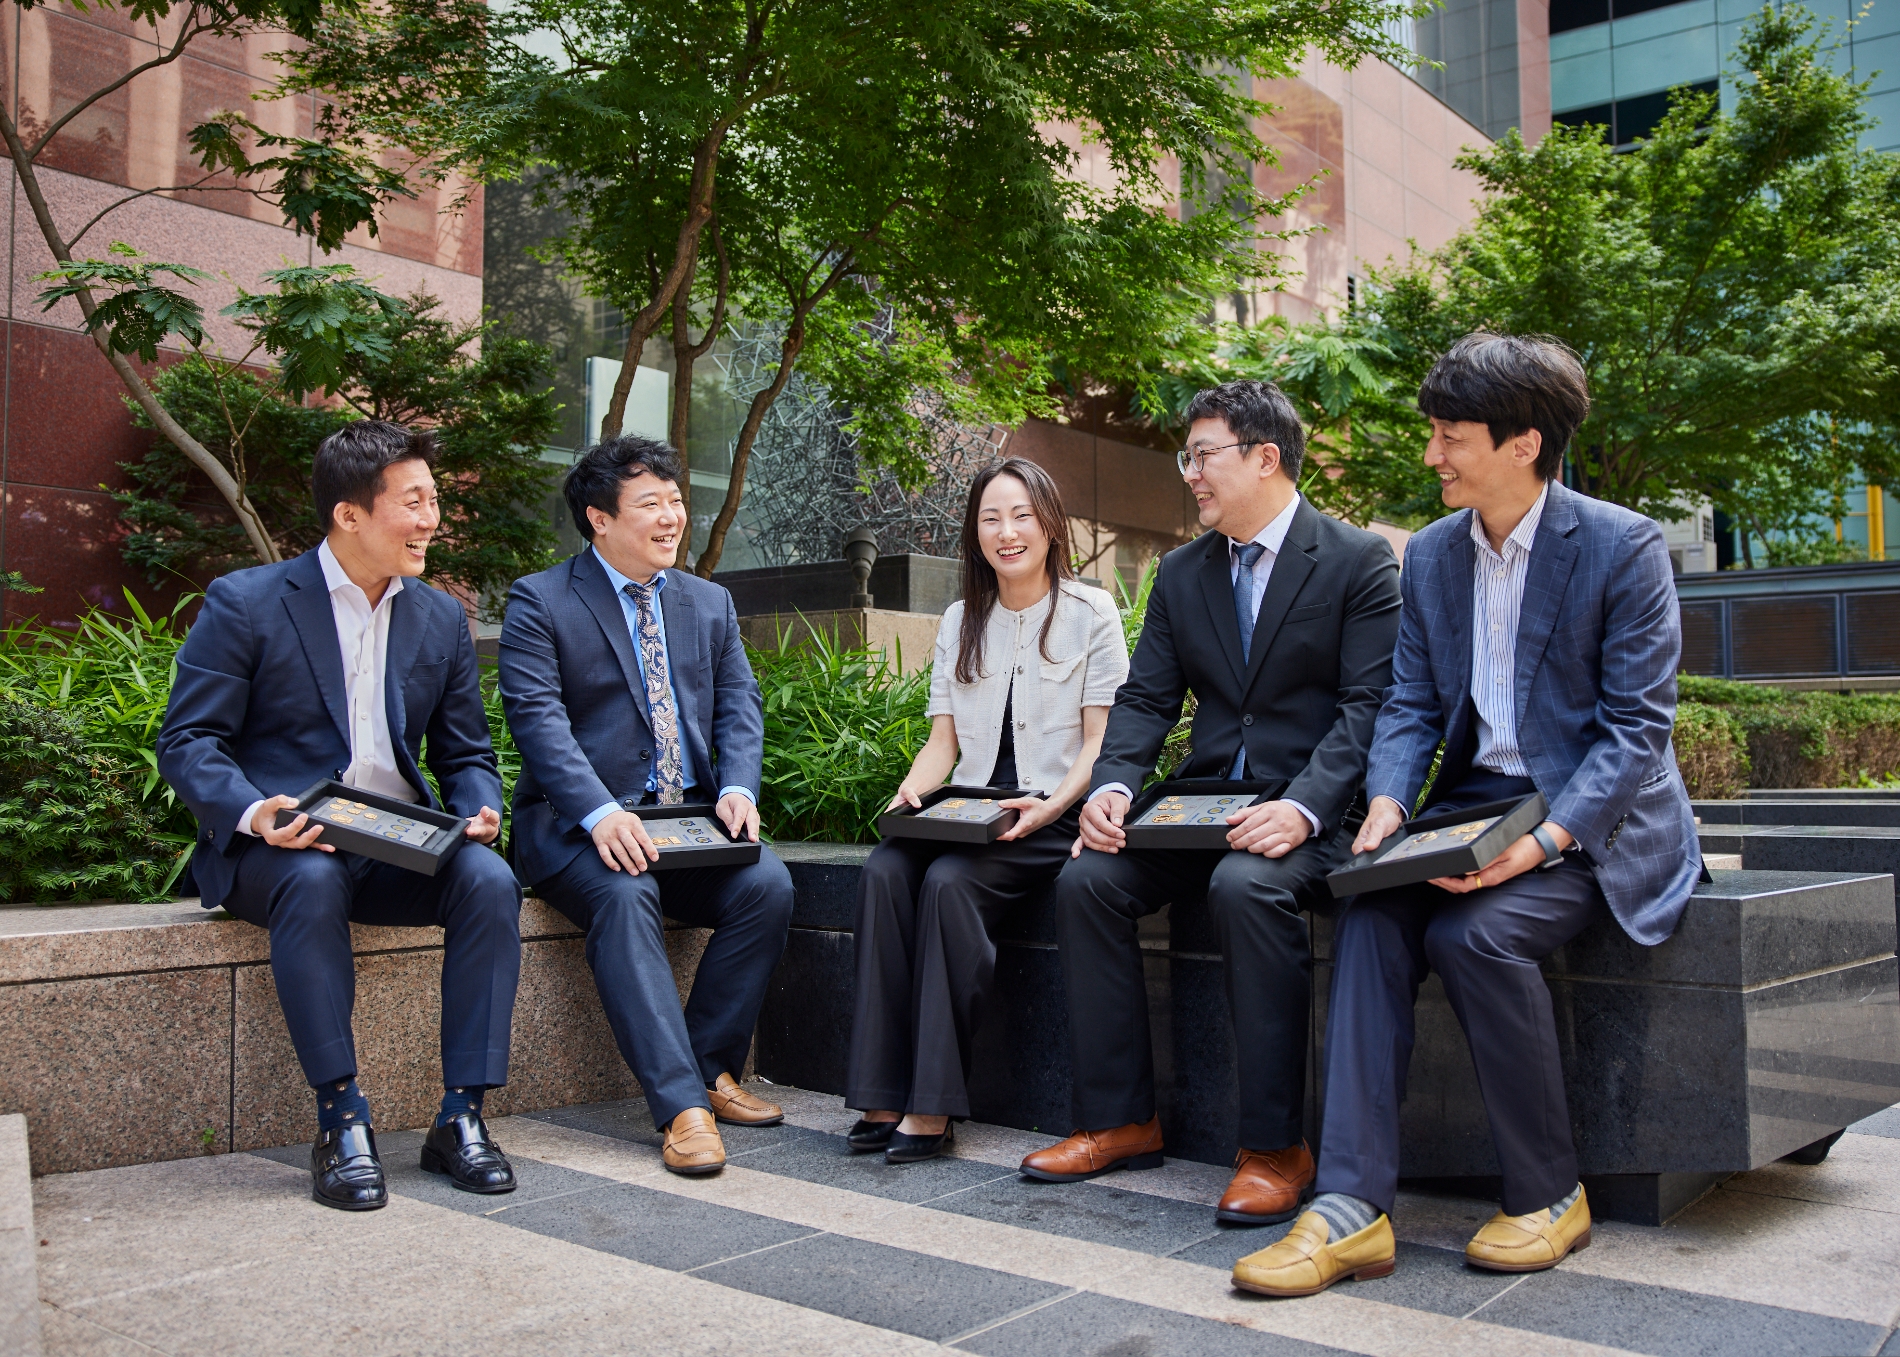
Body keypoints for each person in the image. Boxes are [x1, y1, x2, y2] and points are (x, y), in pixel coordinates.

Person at [1232, 333, 1702, 1297]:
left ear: (1523, 443)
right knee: (1369, 912)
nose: (1433, 454)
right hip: (1466, 808)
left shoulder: (1623, 547)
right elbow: (1407, 700)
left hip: (1588, 821)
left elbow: (1634, 733)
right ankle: (1353, 1208)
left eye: (1452, 436)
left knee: (1478, 934)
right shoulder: (1438, 553)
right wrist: (1389, 804)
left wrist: (1536, 844)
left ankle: (1548, 1194)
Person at [1021, 380, 1402, 1228]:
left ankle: (1275, 1148)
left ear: (1265, 457)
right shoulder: (1183, 572)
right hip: (1203, 803)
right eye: (1185, 456)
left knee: (1245, 885)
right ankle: (1121, 1119)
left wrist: (1303, 807)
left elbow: (1367, 707)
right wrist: (1113, 787)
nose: (1189, 473)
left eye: (1203, 456)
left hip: (1314, 812)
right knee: (1086, 880)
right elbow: (1148, 700)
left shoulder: (1356, 560)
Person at [157, 422, 522, 1212]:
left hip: (397, 838)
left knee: (489, 881)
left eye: (434, 500)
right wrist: (257, 811)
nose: (431, 519)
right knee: (314, 876)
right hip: (281, 847)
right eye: (414, 501)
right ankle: (341, 1116)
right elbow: (188, 740)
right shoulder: (249, 602)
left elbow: (465, 753)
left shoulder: (438, 618)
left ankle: (461, 1115)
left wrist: (477, 805)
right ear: (349, 515)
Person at [499, 434, 793, 1177]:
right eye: (649, 504)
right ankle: (681, 1108)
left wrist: (736, 787)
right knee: (626, 895)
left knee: (767, 884)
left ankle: (708, 1067)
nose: (671, 518)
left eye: (675, 501)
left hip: (686, 819)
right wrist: (600, 812)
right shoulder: (542, 599)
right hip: (576, 825)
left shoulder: (707, 600)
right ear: (599, 518)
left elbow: (739, 704)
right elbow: (538, 721)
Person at [846, 459, 1130, 1164]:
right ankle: (881, 1088)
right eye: (990, 519)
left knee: (948, 881)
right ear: (974, 533)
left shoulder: (1091, 612)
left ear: (1050, 523)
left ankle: (934, 1101)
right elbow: (942, 742)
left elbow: (1102, 743)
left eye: (1021, 516)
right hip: (969, 809)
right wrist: (910, 794)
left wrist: (1049, 807)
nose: (1007, 532)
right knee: (886, 867)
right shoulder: (959, 619)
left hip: (1052, 812)